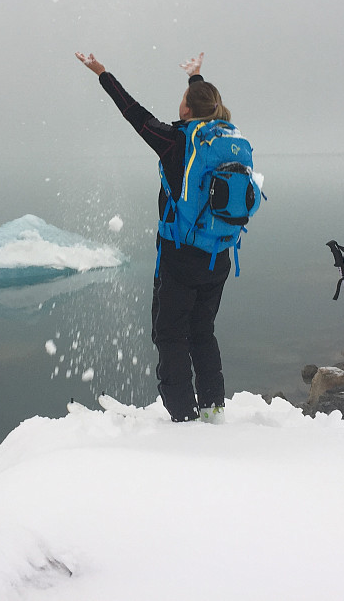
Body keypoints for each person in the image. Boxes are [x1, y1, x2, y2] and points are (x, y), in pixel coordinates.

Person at [74, 50, 234, 423]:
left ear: (187, 112)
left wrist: (102, 73)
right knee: (202, 334)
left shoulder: (175, 141)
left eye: (184, 101)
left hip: (180, 261)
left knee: (170, 337)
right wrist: (196, 79)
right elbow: (204, 105)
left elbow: (133, 112)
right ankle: (213, 410)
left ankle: (183, 418)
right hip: (219, 257)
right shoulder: (226, 137)